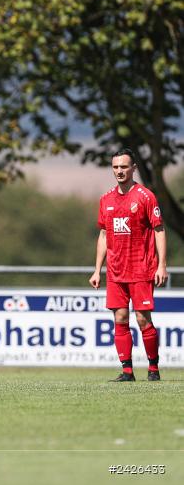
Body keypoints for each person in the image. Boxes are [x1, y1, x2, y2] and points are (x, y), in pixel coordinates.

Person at [89, 148, 166, 382]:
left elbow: (159, 229)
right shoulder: (106, 200)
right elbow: (104, 234)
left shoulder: (145, 196)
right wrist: (97, 269)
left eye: (124, 167)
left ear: (133, 168)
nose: (119, 171)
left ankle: (153, 368)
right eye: (115, 167)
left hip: (141, 269)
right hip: (115, 271)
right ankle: (127, 371)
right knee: (120, 319)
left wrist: (162, 265)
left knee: (143, 319)